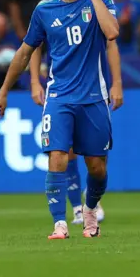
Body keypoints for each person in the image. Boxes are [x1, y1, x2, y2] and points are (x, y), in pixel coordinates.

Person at [0, 0, 119, 239]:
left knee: (97, 168)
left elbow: (111, 32)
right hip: (59, 96)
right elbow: (26, 52)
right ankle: (60, 223)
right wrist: (4, 92)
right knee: (58, 157)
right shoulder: (44, 9)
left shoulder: (101, 0)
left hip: (94, 98)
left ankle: (90, 208)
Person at [29, 39, 123, 225]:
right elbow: (34, 44)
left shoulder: (96, 11)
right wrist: (34, 80)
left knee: (96, 163)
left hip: (92, 91)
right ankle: (77, 209)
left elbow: (111, 40)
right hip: (62, 92)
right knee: (65, 152)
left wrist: (117, 82)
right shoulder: (48, 10)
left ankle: (91, 199)